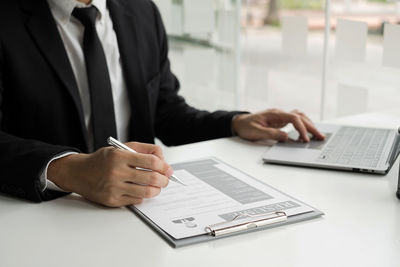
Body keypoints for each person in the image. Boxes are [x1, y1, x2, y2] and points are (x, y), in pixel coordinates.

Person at [0, 0, 324, 207]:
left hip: (141, 213)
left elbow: (167, 112)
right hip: (46, 213)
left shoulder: (141, 12)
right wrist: (67, 169)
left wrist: (235, 123)